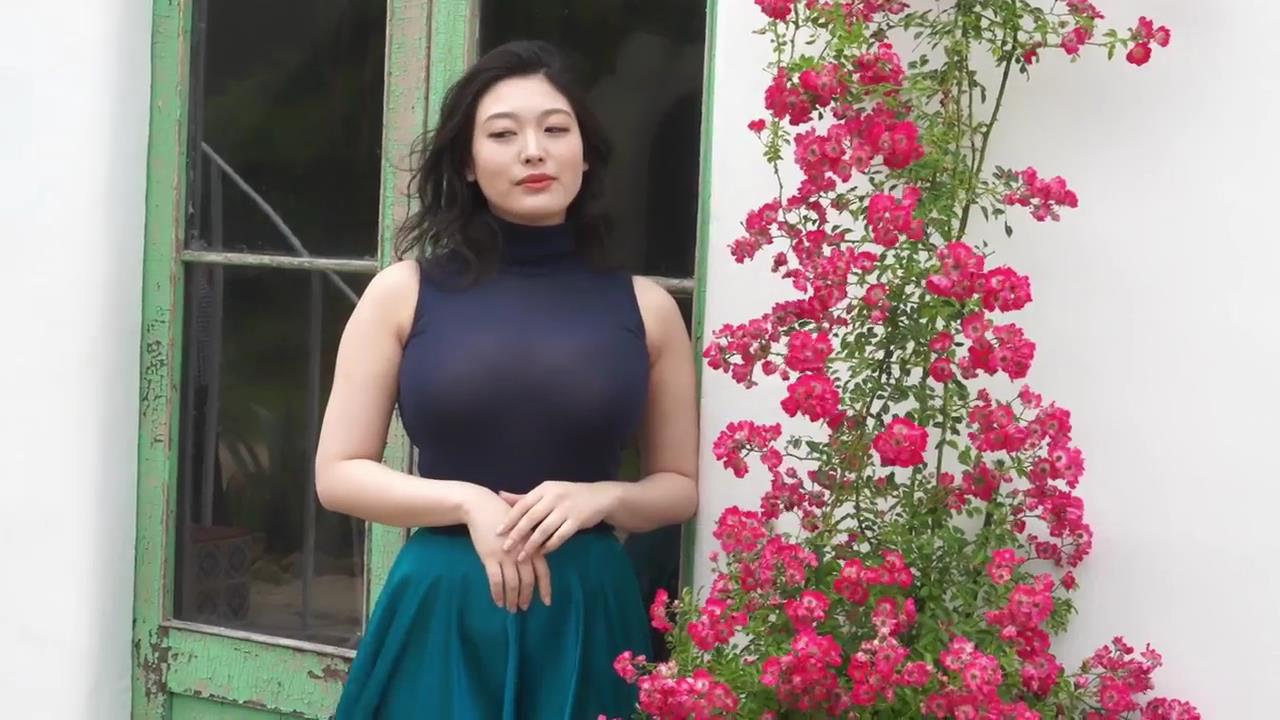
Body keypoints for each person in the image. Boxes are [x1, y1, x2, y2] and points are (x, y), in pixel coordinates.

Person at [314, 40, 699, 719]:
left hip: (587, 611)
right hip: (444, 608)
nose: (533, 151)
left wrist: (603, 498)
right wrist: (468, 502)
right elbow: (339, 473)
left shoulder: (648, 309)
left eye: (555, 129)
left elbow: (678, 487)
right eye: (502, 134)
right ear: (467, 162)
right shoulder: (402, 293)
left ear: (585, 152)